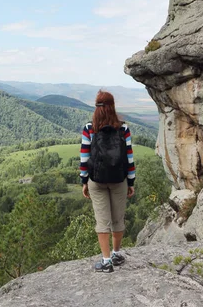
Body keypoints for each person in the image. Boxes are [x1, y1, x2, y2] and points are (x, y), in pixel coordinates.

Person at [80, 90, 135, 273]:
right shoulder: (123, 128)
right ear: (113, 106)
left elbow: (84, 157)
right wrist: (131, 182)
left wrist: (84, 181)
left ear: (96, 107)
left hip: (97, 180)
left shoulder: (89, 128)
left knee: (102, 220)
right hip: (119, 179)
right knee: (117, 219)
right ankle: (116, 254)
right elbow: (129, 157)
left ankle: (105, 261)